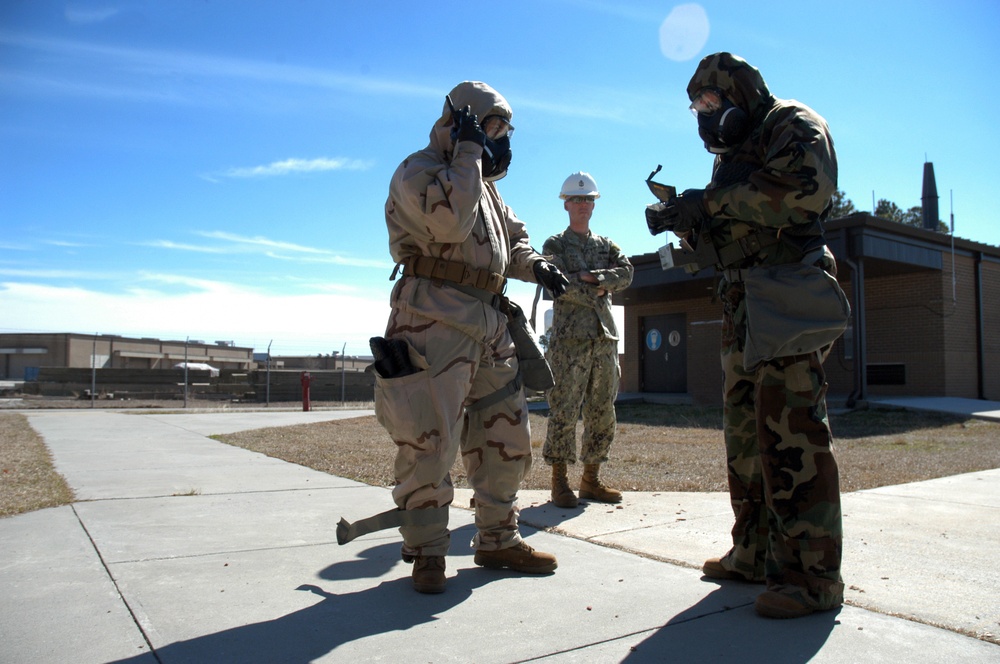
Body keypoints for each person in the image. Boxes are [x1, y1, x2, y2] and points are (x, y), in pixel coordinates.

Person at [646, 53, 844, 619]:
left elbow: (805, 193)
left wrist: (709, 203)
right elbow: (733, 228)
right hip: (743, 304)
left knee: (793, 435)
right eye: (697, 109)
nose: (705, 116)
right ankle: (753, 553)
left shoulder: (791, 123)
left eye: (712, 103)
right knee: (745, 439)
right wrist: (689, 220)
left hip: (786, 297)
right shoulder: (730, 156)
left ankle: (812, 578)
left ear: (740, 94)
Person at [374, 80, 570, 594]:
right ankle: (428, 553)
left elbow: (514, 237)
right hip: (433, 321)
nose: (500, 140)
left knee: (506, 437)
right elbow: (452, 223)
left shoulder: (483, 183)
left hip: (490, 323)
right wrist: (466, 151)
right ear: (460, 122)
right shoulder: (419, 171)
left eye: (505, 131)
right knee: (429, 440)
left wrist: (538, 266)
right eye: (492, 128)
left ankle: (498, 539)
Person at [541, 172, 633, 508]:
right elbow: (559, 284)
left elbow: (627, 273)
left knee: (602, 410)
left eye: (588, 199)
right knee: (563, 409)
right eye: (577, 199)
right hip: (570, 342)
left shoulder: (606, 246)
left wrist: (596, 277)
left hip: (604, 338)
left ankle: (591, 480)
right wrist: (602, 287)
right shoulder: (555, 245)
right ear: (565, 203)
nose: (583, 205)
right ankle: (559, 482)